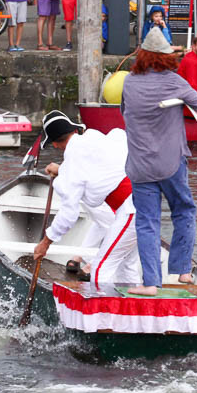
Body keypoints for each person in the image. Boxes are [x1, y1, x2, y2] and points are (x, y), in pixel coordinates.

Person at [121, 29, 197, 295]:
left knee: (147, 222)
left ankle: (151, 283)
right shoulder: (174, 82)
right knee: (184, 211)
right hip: (171, 162)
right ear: (165, 57)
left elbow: (124, 113)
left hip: (139, 164)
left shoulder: (129, 82)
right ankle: (183, 269)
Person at [31, 112, 141, 288]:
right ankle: (135, 311)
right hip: (145, 203)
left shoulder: (72, 162)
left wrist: (45, 242)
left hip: (131, 211)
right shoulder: (94, 138)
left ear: (55, 144)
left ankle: (101, 315)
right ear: (74, 129)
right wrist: (62, 170)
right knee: (126, 266)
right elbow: (95, 169)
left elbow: (68, 215)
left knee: (99, 269)